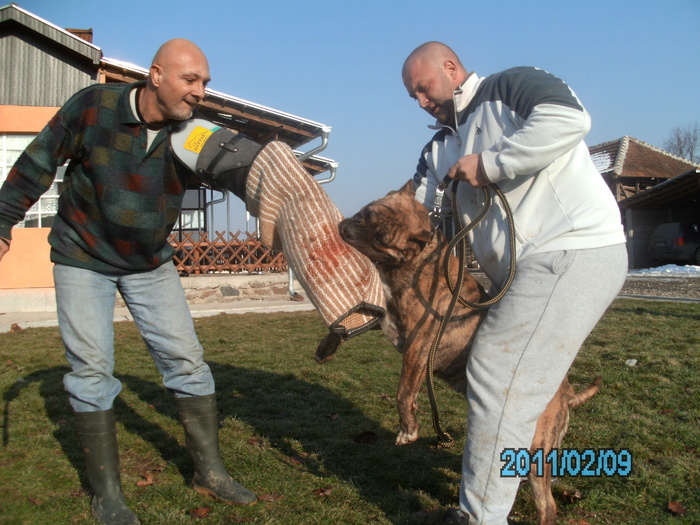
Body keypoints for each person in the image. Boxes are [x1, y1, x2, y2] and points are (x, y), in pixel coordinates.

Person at [0, 39, 257, 524]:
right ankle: (108, 495)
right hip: (82, 256)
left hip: (149, 262)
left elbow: (242, 170)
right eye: (191, 80)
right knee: (92, 371)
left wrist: (275, 202)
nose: (201, 91)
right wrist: (3, 221)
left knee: (187, 361)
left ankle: (210, 472)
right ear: (156, 75)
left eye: (205, 82)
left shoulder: (193, 134)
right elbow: (36, 162)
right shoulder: (93, 108)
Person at [402, 42, 628, 524]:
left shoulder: (508, 87)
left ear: (451, 67)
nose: (420, 101)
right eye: (412, 96)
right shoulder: (438, 148)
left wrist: (487, 164)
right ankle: (485, 506)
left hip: (574, 245)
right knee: (512, 390)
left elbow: (570, 119)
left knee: (496, 377)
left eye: (424, 88)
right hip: (533, 270)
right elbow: (411, 214)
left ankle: (478, 518)